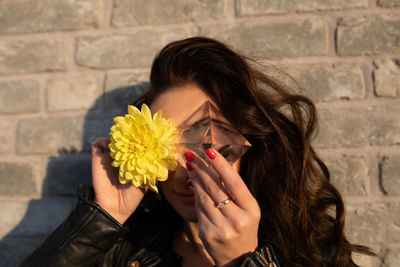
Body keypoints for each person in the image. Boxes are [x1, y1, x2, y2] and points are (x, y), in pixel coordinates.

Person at [20, 37, 373, 267]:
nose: (190, 167)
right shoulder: (118, 251)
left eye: (214, 143)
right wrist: (101, 219)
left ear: (249, 143)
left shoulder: (311, 247)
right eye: (167, 145)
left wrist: (244, 262)